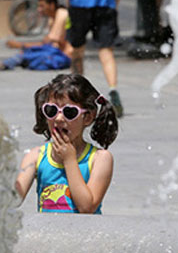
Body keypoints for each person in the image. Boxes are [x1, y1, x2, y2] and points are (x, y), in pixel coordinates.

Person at [15, 73, 119, 214]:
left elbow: (87, 207)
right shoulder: (36, 156)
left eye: (69, 112)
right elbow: (14, 199)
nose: (58, 118)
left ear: (88, 117)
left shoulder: (100, 159)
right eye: (51, 111)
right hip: (48, 235)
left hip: (85, 235)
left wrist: (69, 160)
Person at [0, 0, 72, 70]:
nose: (39, 9)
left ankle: (11, 62)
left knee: (38, 55)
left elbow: (49, 43)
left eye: (42, 6)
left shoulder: (62, 14)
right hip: (56, 53)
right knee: (31, 53)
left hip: (64, 56)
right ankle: (15, 62)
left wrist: (20, 45)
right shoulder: (51, 19)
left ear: (52, 5)